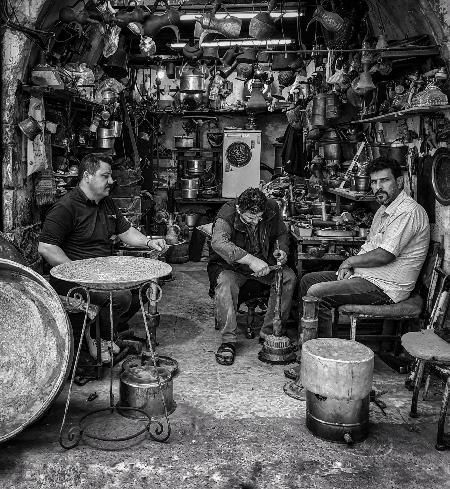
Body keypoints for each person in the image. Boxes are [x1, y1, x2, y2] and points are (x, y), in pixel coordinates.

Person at [285, 156, 430, 379]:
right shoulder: (384, 211)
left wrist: (349, 262)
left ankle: (324, 364)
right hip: (366, 277)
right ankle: (310, 350)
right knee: (308, 280)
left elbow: (384, 255)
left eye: (384, 181)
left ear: (399, 182)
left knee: (317, 295)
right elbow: (370, 246)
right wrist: (352, 268)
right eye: (373, 182)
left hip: (386, 287)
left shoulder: (408, 212)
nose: (378, 187)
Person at [38, 153, 167, 363]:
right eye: (105, 176)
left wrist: (149, 242)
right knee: (121, 297)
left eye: (111, 176)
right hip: (74, 281)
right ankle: (97, 337)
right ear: (88, 176)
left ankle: (104, 332)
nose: (112, 181)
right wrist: (75, 272)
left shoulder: (107, 203)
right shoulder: (66, 207)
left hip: (103, 275)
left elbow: (125, 232)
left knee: (144, 288)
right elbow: (46, 247)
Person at [208, 187, 297, 365]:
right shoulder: (227, 213)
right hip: (232, 267)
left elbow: (281, 233)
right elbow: (219, 242)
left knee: (288, 277)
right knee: (225, 283)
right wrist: (249, 259)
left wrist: (281, 251)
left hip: (264, 265)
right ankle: (228, 341)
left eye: (259, 217)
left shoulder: (272, 208)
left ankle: (269, 333)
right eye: (250, 217)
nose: (255, 222)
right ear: (240, 209)